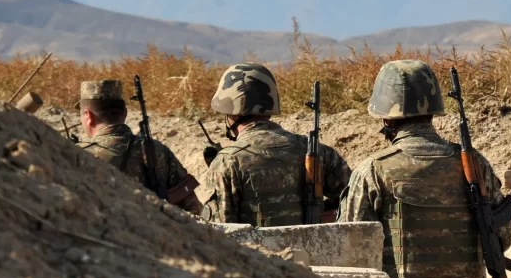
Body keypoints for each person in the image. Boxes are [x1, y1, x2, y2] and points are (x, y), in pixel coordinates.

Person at [339, 59, 511, 278]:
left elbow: (352, 249)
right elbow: (502, 236)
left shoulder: (373, 170)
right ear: (432, 111)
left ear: (386, 119)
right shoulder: (474, 165)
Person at [202, 62, 350, 226]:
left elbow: (216, 234)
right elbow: (353, 204)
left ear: (230, 111)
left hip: (254, 252)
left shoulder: (227, 163)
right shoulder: (319, 152)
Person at [77, 80, 202, 214]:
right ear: (125, 114)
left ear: (88, 116)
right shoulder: (158, 151)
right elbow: (193, 208)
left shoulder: (80, 154)